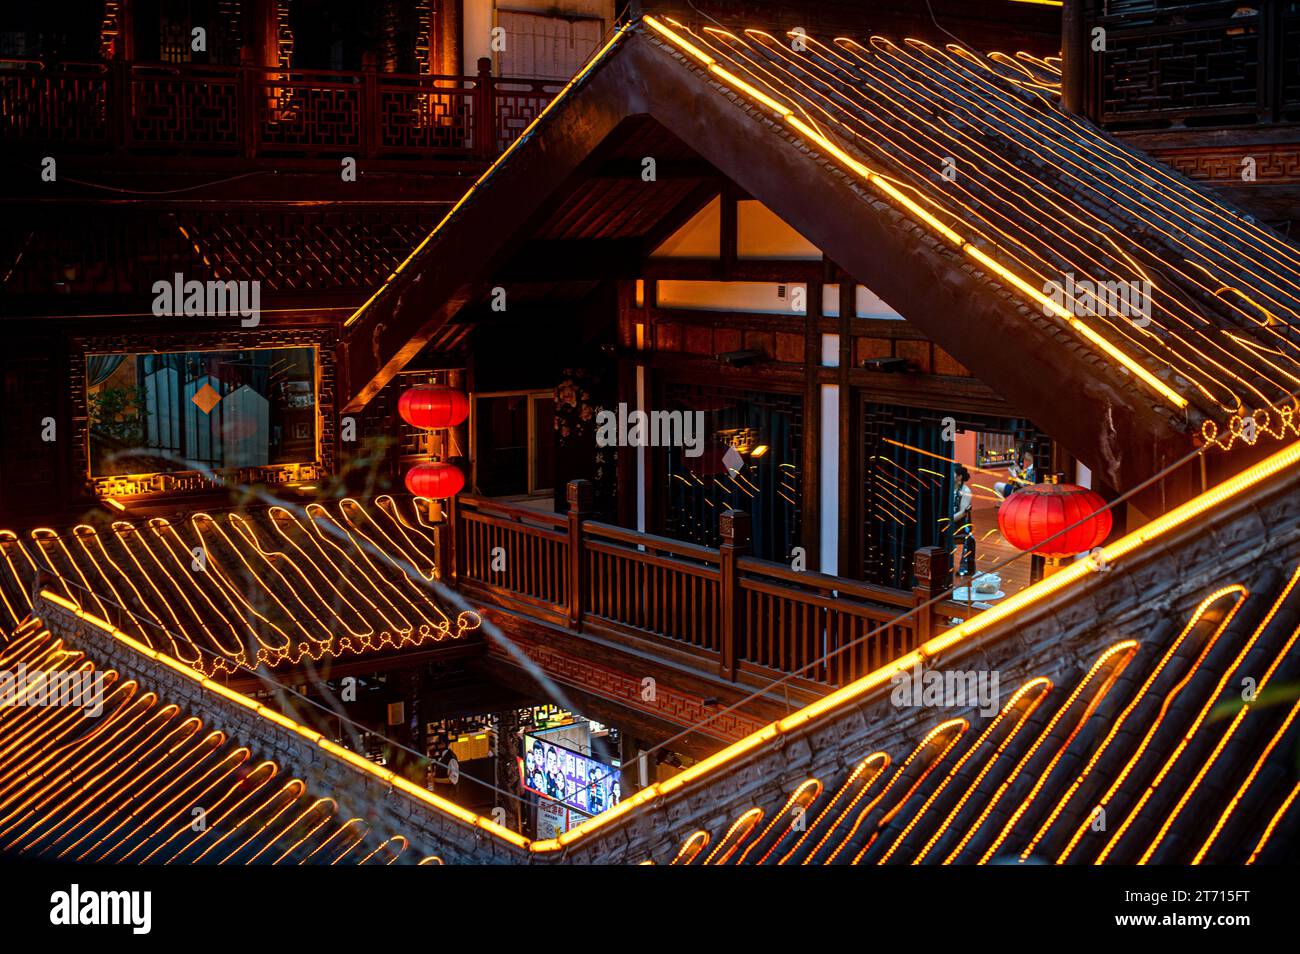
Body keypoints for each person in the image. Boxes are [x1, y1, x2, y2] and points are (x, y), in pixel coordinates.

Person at [952, 465, 975, 577]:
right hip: (949, 521)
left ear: (959, 477)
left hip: (959, 524)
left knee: (969, 538)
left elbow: (963, 513)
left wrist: (948, 520)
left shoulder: (965, 491)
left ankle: (965, 568)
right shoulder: (948, 488)